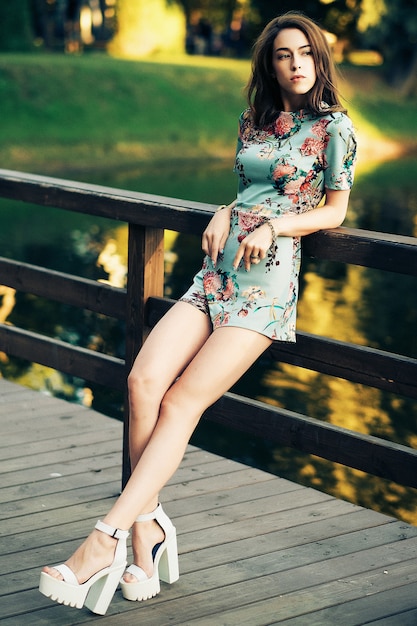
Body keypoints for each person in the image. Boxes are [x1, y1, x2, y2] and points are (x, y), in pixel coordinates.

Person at [39, 11, 357, 615]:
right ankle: (148, 530)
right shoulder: (255, 120)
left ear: (319, 60)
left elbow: (334, 212)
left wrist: (276, 224)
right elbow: (251, 187)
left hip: (264, 289)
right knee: (141, 381)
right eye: (284, 54)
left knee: (183, 400)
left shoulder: (335, 128)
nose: (295, 64)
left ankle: (103, 543)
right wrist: (224, 210)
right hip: (215, 273)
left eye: (306, 54)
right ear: (270, 63)